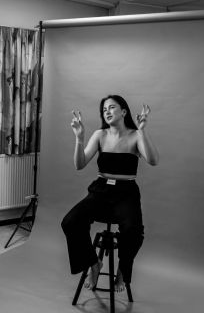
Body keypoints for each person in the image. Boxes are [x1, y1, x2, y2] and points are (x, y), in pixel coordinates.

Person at [61, 94, 159, 292]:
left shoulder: (135, 135)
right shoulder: (100, 135)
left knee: (133, 231)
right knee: (70, 221)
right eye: (104, 109)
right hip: (101, 190)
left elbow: (153, 160)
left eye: (112, 107)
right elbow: (79, 164)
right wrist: (79, 138)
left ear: (123, 112)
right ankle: (94, 264)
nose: (107, 111)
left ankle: (123, 270)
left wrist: (142, 131)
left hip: (126, 192)